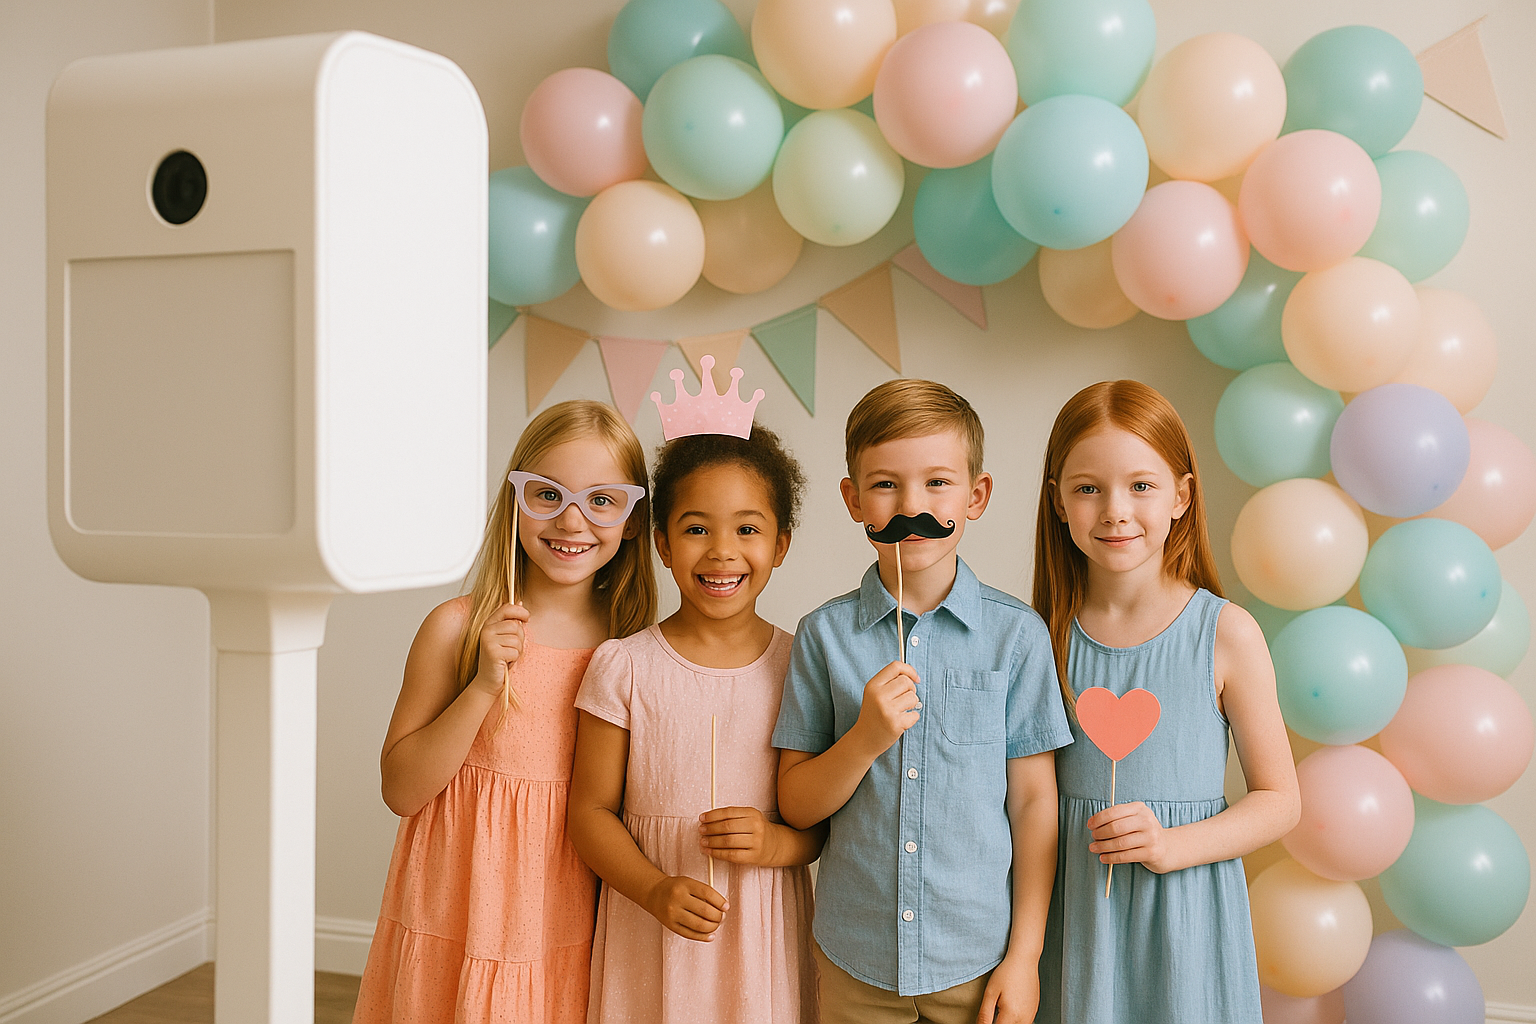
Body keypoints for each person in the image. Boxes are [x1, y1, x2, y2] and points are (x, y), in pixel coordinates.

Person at [774, 379, 1073, 1024]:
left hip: (978, 959)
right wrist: (863, 739)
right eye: (885, 485)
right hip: (855, 958)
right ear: (853, 499)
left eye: (938, 482)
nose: (912, 505)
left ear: (978, 495)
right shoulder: (823, 636)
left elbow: (1032, 803)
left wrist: (1024, 957)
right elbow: (796, 806)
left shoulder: (1017, 636)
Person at [353, 400, 658, 1024]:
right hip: (457, 908)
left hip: (562, 912)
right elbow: (401, 790)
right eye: (546, 494)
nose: (572, 520)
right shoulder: (456, 629)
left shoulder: (632, 648)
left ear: (631, 519)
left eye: (601, 499)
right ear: (514, 502)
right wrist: (485, 684)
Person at [1031, 380, 1300, 1024]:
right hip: (1074, 916)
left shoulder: (1226, 634)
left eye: (1141, 485)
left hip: (1186, 918)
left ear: (1182, 494)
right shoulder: (1039, 639)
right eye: (1088, 488)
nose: (1115, 510)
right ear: (1059, 502)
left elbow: (1280, 801)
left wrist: (1171, 846)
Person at [568, 424, 822, 1024]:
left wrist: (775, 842)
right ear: (661, 541)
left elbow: (819, 821)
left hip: (761, 927)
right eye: (696, 528)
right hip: (649, 920)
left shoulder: (803, 666)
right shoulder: (623, 666)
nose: (721, 551)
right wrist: (655, 890)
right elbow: (589, 814)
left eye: (747, 529)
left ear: (781, 545)